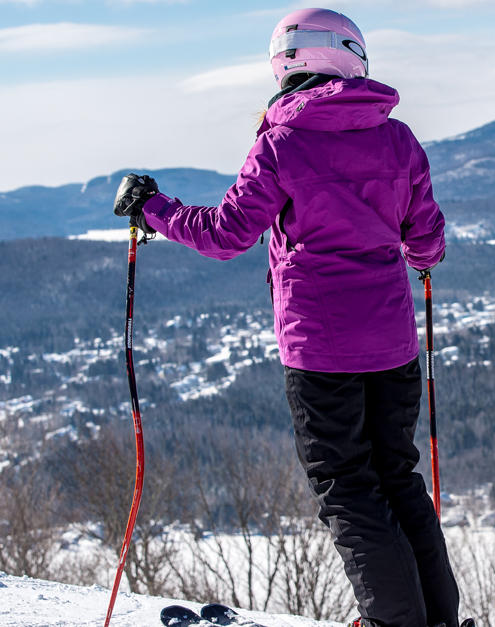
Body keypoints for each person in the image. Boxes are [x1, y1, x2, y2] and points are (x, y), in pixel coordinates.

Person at [112, 8, 467, 627]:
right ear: (352, 55)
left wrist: (154, 206)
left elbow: (226, 234)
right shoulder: (399, 138)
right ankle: (438, 619)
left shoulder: (282, 143)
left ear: (284, 63)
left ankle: (396, 623)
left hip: (320, 348)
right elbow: (427, 242)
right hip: (392, 342)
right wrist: (412, 252)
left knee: (348, 487)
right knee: (398, 478)